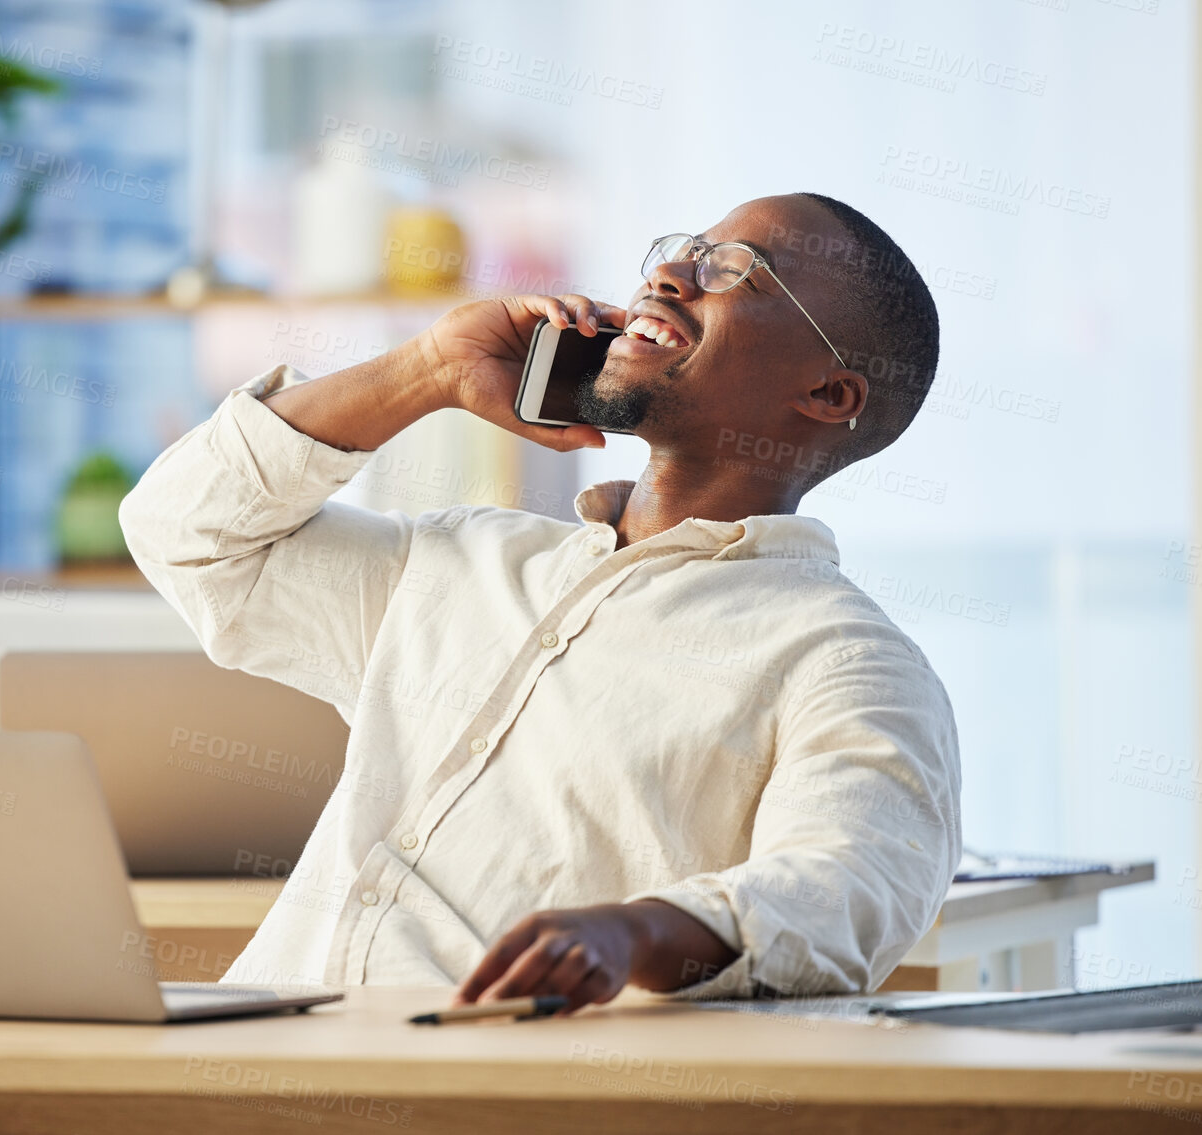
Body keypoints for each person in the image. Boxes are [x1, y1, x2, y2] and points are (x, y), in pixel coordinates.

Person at [118, 193, 960, 1011]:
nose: (669, 272)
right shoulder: (457, 559)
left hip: (486, 1098)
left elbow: (850, 881)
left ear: (825, 395)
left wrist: (637, 934)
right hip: (252, 1055)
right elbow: (187, 532)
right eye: (683, 247)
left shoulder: (843, 658)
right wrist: (429, 371)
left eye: (735, 269)